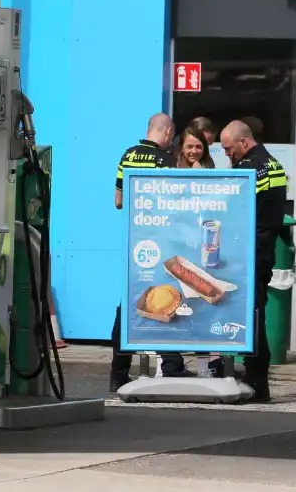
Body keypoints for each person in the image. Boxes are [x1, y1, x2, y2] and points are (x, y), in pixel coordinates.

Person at [111, 113, 190, 390]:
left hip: (136, 241)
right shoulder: (166, 160)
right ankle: (171, 363)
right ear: (167, 134)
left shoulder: (128, 155)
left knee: (130, 302)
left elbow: (119, 201)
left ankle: (118, 374)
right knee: (162, 300)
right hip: (161, 241)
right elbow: (176, 206)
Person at [219, 120, 288, 402]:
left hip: (247, 252)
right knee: (256, 313)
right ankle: (257, 379)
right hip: (264, 249)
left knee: (250, 316)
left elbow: (234, 211)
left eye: (228, 149)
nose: (227, 156)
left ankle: (256, 381)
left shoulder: (248, 170)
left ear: (243, 143)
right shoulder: (274, 165)